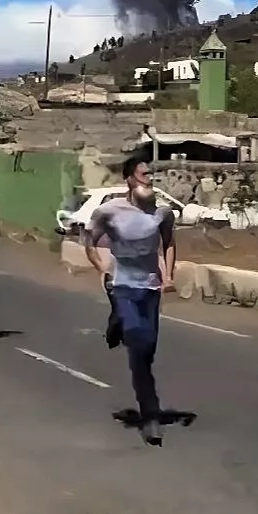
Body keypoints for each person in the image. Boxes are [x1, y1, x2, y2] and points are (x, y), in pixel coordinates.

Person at [85, 157, 176, 446]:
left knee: (147, 349)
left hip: (150, 289)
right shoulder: (109, 211)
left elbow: (170, 242)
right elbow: (89, 241)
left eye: (151, 174)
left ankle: (118, 325)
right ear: (129, 179)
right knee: (138, 351)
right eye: (143, 174)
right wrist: (102, 268)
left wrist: (169, 275)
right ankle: (150, 416)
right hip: (122, 287)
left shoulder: (163, 212)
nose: (149, 179)